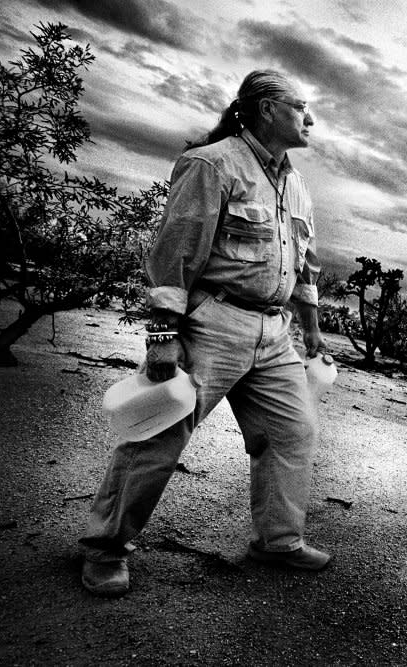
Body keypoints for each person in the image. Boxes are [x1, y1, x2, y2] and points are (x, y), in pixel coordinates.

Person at [80, 70, 329, 597]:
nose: (310, 120)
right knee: (159, 433)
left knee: (292, 434)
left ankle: (277, 540)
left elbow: (304, 266)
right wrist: (161, 335)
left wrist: (311, 329)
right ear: (265, 109)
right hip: (215, 322)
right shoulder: (212, 164)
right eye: (300, 107)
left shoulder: (297, 184)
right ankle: (106, 548)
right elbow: (174, 254)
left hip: (275, 330)